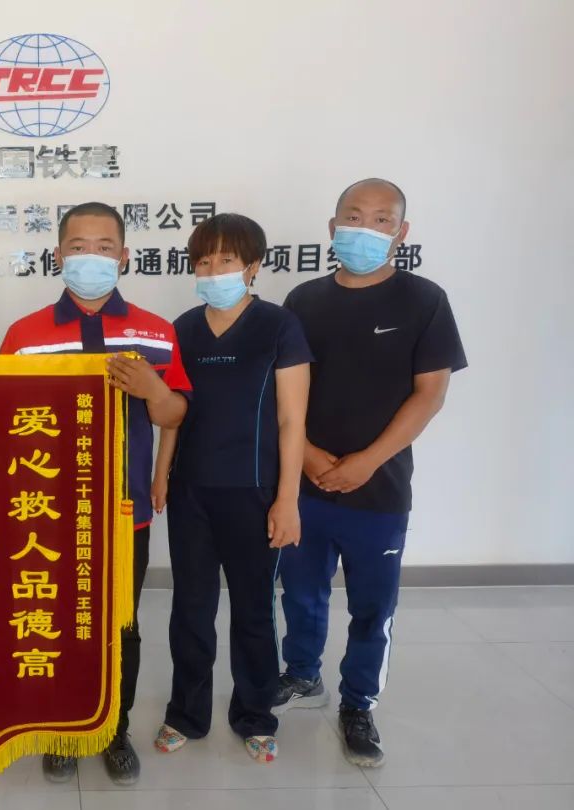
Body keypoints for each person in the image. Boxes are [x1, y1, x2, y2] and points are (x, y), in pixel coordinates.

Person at [273, 178, 467, 767]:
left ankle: (358, 703)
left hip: (378, 488)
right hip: (304, 483)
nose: (366, 229)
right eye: (354, 217)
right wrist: (308, 456)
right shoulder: (303, 300)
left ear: (401, 233)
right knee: (301, 590)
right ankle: (302, 673)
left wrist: (368, 460)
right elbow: (282, 391)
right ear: (333, 229)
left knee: (372, 606)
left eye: (382, 220)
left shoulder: (424, 300)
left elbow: (430, 394)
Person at [0, 201, 192, 786]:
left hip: (125, 513)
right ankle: (62, 729)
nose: (91, 257)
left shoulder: (156, 331)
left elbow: (175, 414)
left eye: (104, 247)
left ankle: (114, 728)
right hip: (45, 515)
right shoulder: (24, 334)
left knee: (120, 626)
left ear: (124, 256)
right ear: (58, 254)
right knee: (53, 620)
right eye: (78, 247)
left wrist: (153, 390)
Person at [152, 213, 311, 764]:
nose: (213, 269)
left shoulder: (279, 326)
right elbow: (173, 412)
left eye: (226, 259)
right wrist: (161, 473)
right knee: (191, 609)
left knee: (253, 611)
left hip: (255, 492)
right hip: (191, 491)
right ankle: (186, 714)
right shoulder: (183, 329)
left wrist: (287, 498)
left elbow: (292, 421)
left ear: (253, 266)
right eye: (203, 260)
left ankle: (255, 715)